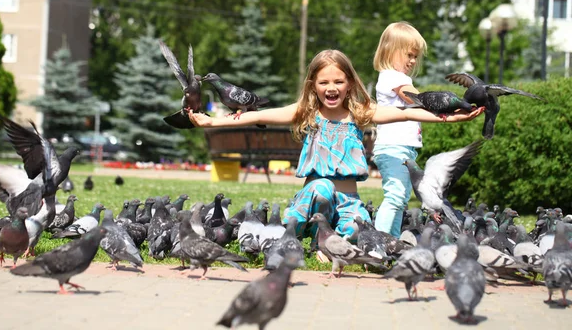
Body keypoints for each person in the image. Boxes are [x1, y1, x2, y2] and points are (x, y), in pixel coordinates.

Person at [188, 49, 482, 242]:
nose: (331, 88)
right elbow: (259, 115)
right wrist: (212, 122)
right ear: (313, 85)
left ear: (350, 84)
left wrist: (450, 118)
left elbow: (405, 112)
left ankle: (326, 239)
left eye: (339, 81)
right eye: (324, 82)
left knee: (356, 228)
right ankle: (296, 229)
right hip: (315, 198)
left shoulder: (360, 114)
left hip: (348, 202)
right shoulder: (307, 113)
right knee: (321, 188)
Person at [371, 21, 427, 237]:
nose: (413, 61)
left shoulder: (394, 77)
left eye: (415, 57)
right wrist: (450, 108)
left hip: (402, 148)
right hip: (393, 148)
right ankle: (378, 243)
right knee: (395, 197)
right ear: (390, 51)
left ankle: (391, 243)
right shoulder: (394, 78)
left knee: (400, 199)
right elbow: (418, 100)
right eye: (409, 55)